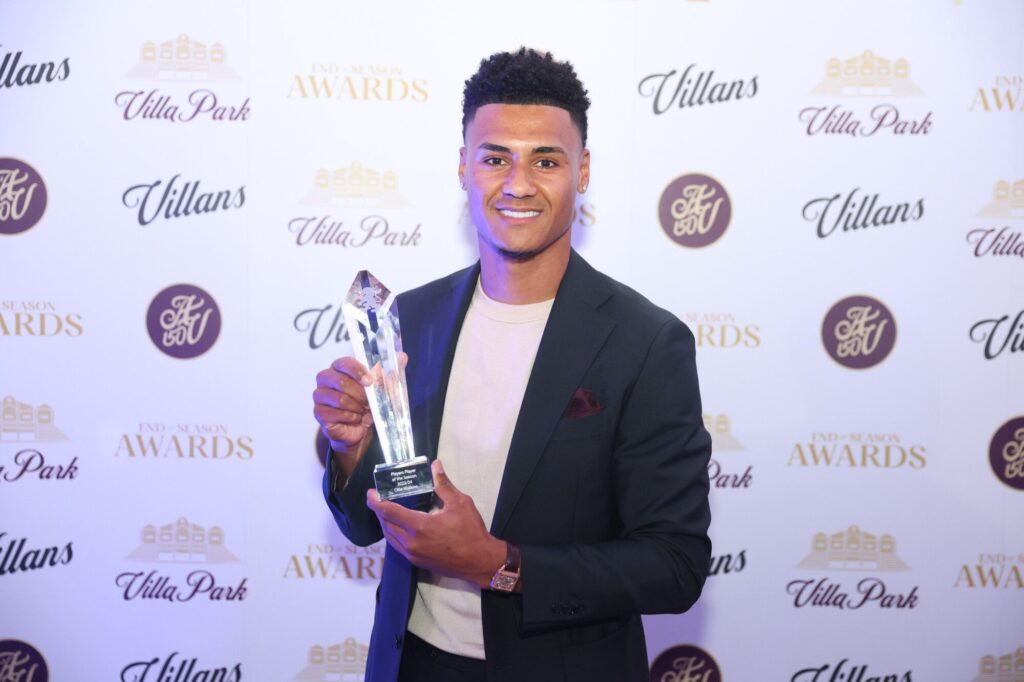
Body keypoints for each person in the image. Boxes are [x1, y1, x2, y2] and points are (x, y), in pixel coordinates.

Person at [312, 47, 712, 682]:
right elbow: (367, 525)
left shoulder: (646, 341)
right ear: (463, 170)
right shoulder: (411, 317)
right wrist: (351, 450)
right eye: (495, 157)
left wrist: (496, 561)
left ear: (582, 172)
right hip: (411, 664)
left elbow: (675, 565)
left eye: (545, 160)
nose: (518, 183)